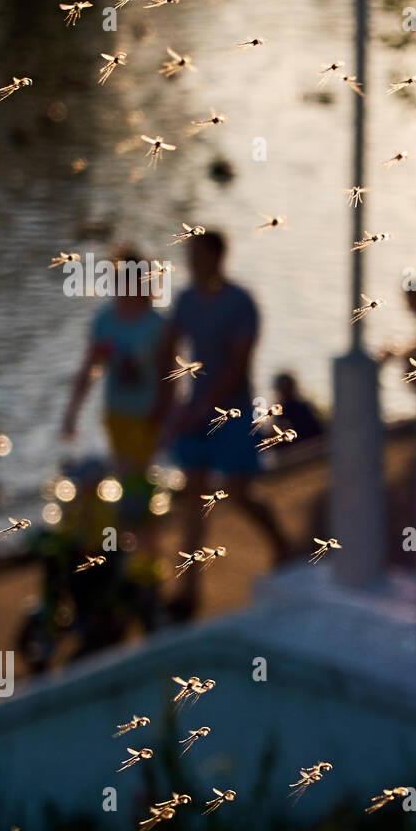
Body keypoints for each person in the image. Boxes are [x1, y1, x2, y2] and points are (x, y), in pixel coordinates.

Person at [163, 231, 288, 619]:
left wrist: (206, 406)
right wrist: (171, 403)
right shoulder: (185, 300)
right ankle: (189, 590)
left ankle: (283, 545)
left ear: (218, 257)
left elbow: (239, 364)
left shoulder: (241, 303)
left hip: (230, 412)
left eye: (199, 254)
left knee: (237, 491)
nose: (192, 261)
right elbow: (168, 346)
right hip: (196, 412)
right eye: (190, 254)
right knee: (194, 496)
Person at [62, 242, 171, 518]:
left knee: (133, 476)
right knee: (128, 479)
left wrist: (167, 419)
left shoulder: (157, 325)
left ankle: (138, 537)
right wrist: (72, 412)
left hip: (148, 416)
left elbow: (170, 377)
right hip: (116, 414)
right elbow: (89, 370)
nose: (119, 283)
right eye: (116, 277)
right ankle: (133, 540)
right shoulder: (105, 321)